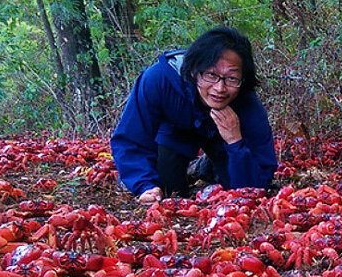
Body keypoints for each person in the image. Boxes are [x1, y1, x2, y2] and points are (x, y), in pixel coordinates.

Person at [111, 26, 277, 204]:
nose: (220, 88)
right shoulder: (160, 80)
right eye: (211, 75)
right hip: (176, 130)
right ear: (193, 71)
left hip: (223, 136)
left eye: (231, 78)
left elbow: (258, 183)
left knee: (237, 195)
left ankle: (207, 167)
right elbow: (131, 137)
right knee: (168, 190)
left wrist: (235, 141)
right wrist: (143, 185)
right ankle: (192, 167)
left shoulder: (247, 101)